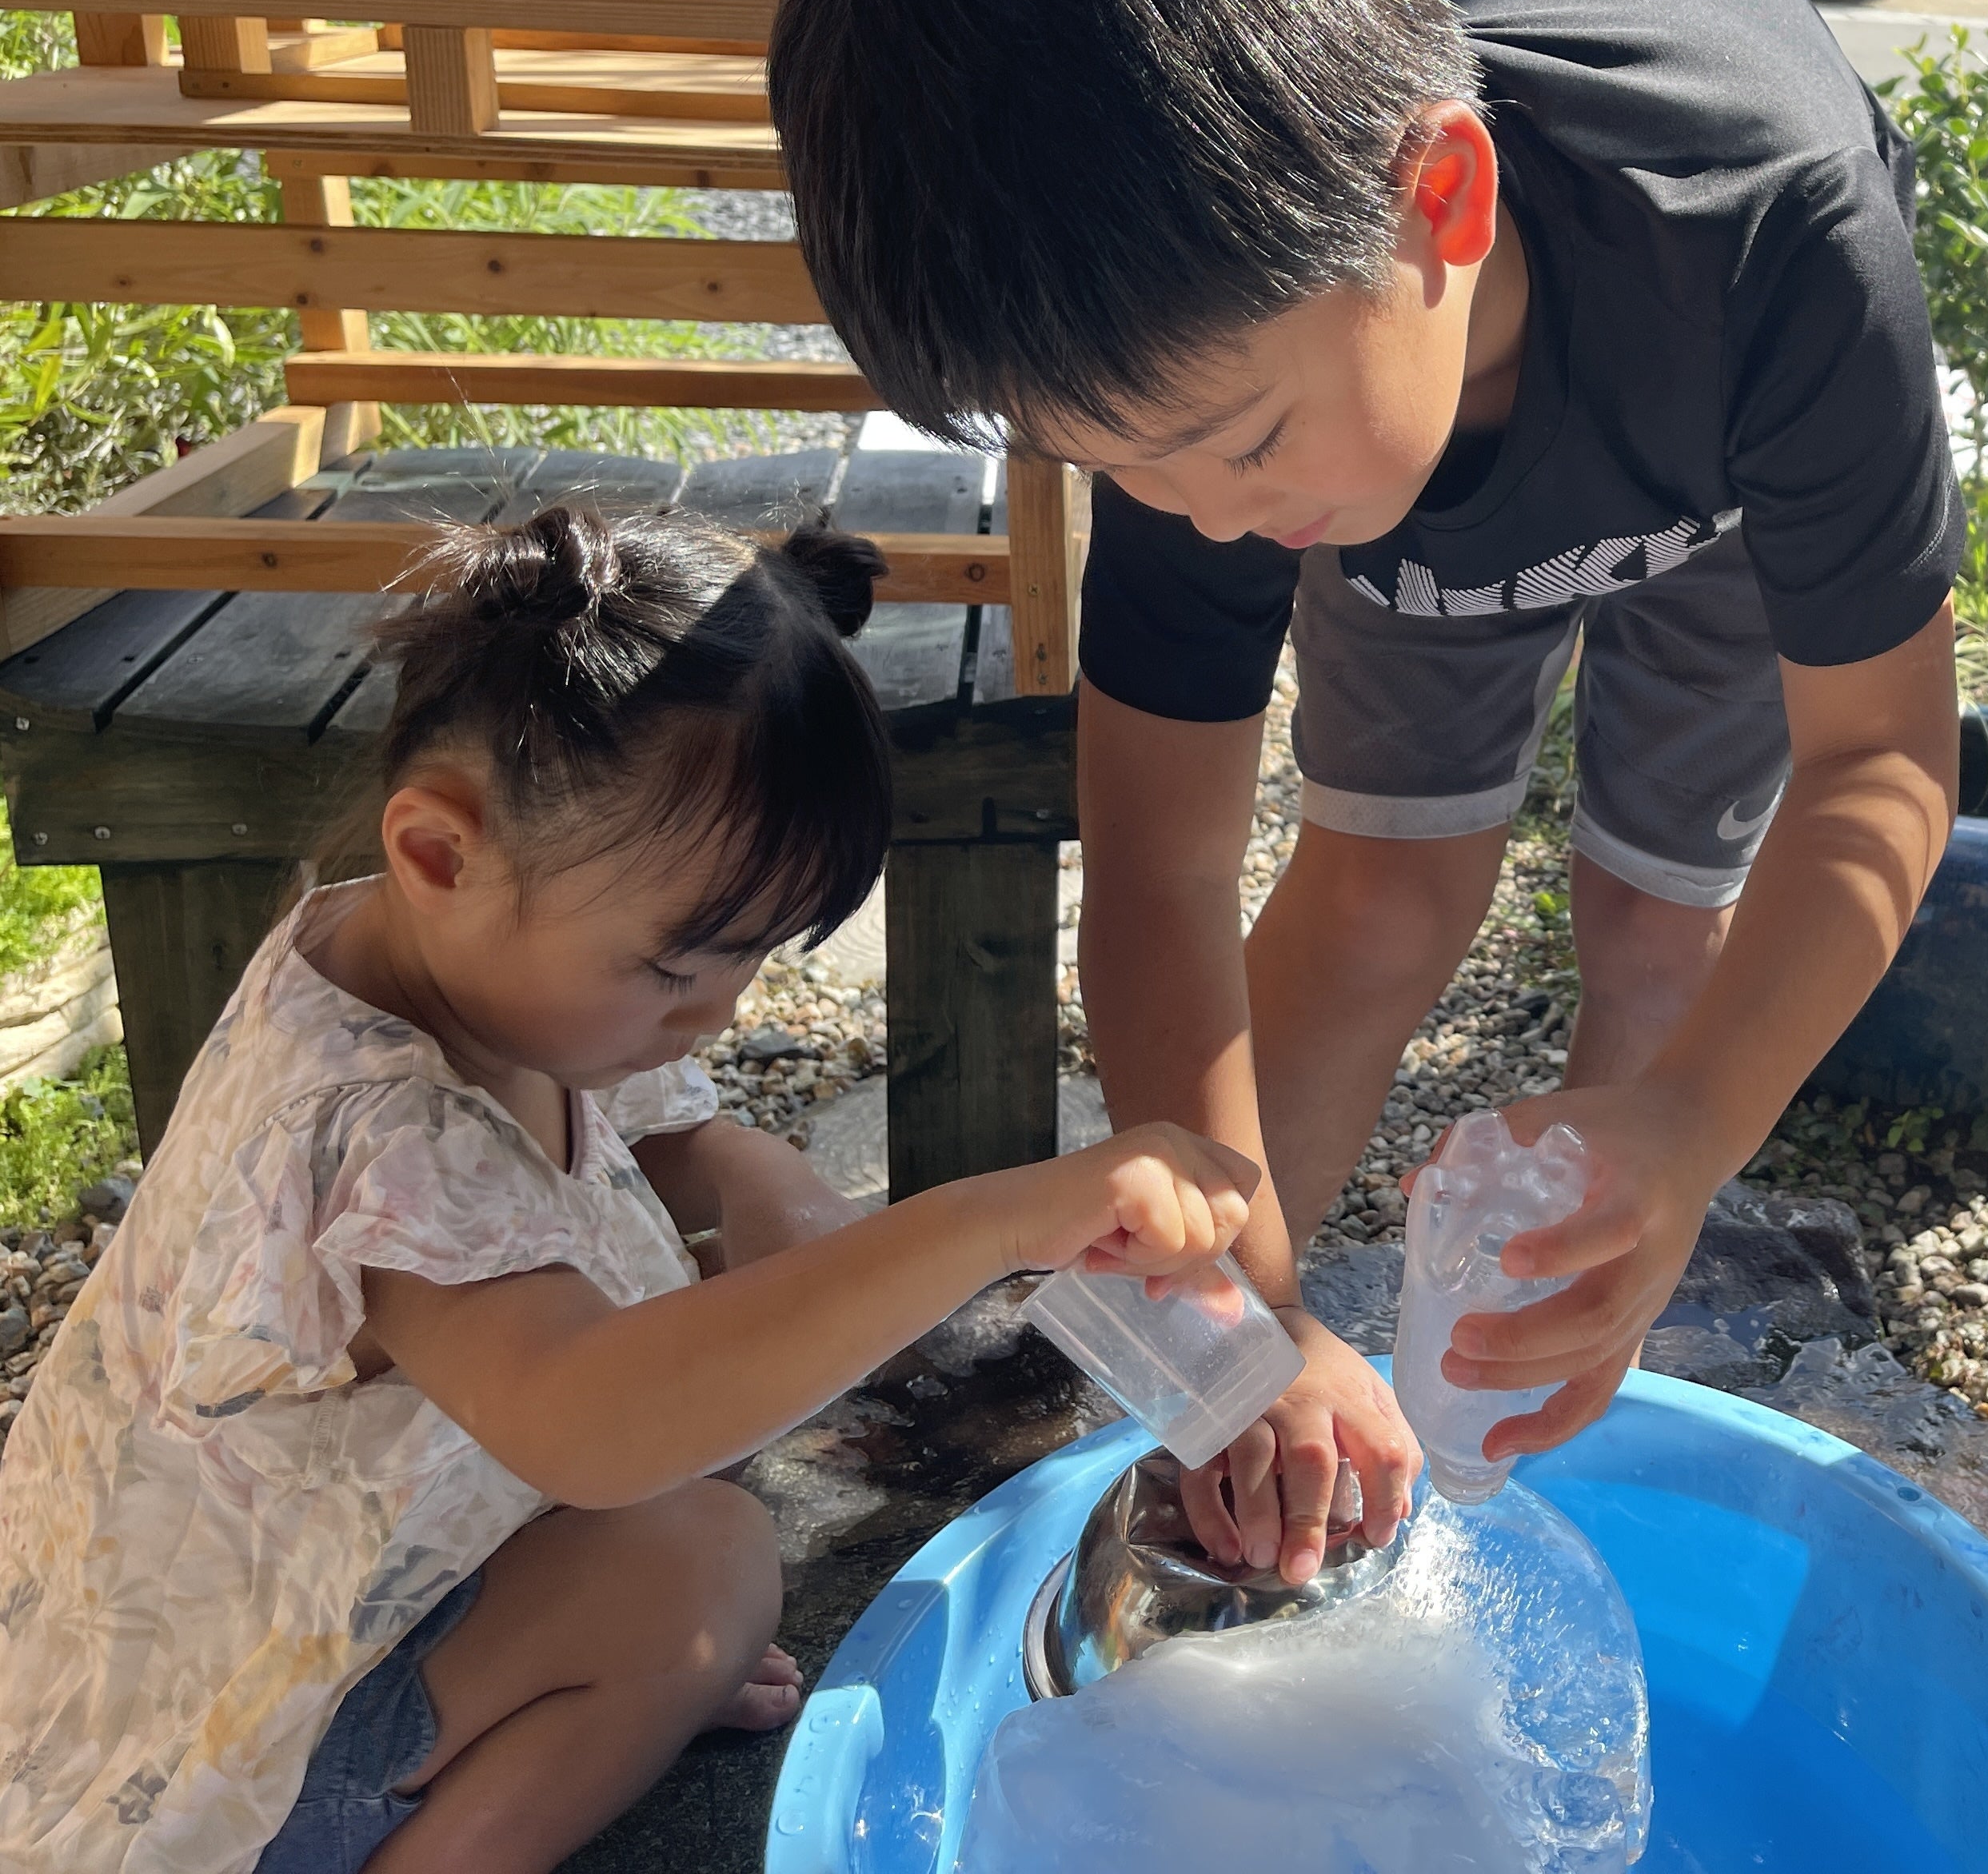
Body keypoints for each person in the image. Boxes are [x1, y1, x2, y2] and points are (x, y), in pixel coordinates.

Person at [768, 0, 1963, 1587]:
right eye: (1128, 470)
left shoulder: (1781, 239)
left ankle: (1583, 1321)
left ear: (1442, 203)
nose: (1207, 525)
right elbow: (1164, 866)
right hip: (1397, 468)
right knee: (1386, 894)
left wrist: (1685, 1134)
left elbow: (1880, 762)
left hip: (1718, 468)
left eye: (1231, 449)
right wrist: (1245, 1325)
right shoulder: (1206, 367)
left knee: (1660, 925)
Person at [0, 508, 1259, 1874]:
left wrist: (757, 1182)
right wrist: (986, 1220)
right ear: (440, 855)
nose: (716, 1015)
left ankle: (559, 1676)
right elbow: (591, 1430)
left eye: (754, 960)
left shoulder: (440, 951)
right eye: (676, 968)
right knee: (702, 1567)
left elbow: (676, 1137)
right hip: (213, 1764)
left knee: (703, 1460)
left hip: (246, 1613)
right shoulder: (375, 1128)